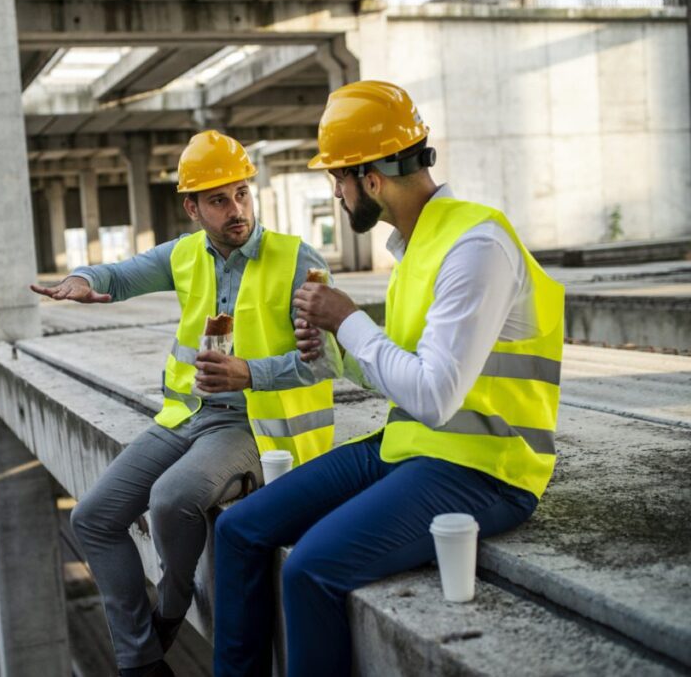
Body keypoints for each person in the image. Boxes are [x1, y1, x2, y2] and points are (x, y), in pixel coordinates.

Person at [212, 80, 565, 677]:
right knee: (240, 529)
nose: (338, 194)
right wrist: (333, 348)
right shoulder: (418, 247)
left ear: (369, 178)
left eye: (337, 180)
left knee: (310, 570)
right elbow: (403, 375)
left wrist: (347, 320)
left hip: (486, 471)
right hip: (412, 449)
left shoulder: (476, 246)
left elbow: (433, 395)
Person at [30, 130, 337, 677]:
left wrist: (249, 373)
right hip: (186, 417)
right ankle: (141, 660)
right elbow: (119, 275)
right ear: (192, 207)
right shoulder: (185, 254)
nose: (236, 209)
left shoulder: (296, 259)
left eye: (242, 193)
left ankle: (171, 607)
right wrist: (81, 279)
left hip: (257, 426)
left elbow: (325, 363)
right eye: (219, 200)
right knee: (93, 518)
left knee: (171, 498)